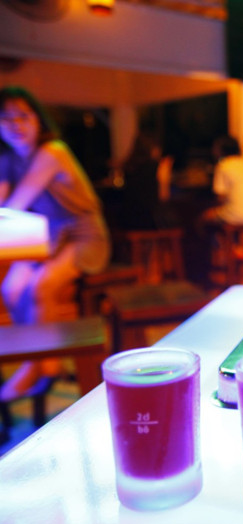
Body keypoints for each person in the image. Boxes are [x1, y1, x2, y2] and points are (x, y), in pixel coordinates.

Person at [0, 86, 111, 401]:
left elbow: (15, 205)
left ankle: (36, 367)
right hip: (46, 238)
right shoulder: (8, 159)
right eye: (6, 118)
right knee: (11, 287)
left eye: (23, 116)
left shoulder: (53, 151)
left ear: (38, 119)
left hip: (84, 235)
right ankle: (45, 362)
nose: (16, 125)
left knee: (42, 285)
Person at [117, 131, 175, 230]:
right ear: (154, 148)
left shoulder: (129, 166)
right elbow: (164, 197)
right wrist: (165, 174)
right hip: (150, 221)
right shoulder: (157, 166)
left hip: (127, 220)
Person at [200, 135, 243, 226]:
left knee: (203, 218)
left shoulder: (223, 166)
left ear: (222, 150)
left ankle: (217, 236)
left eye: (215, 148)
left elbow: (220, 196)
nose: (213, 151)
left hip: (235, 214)